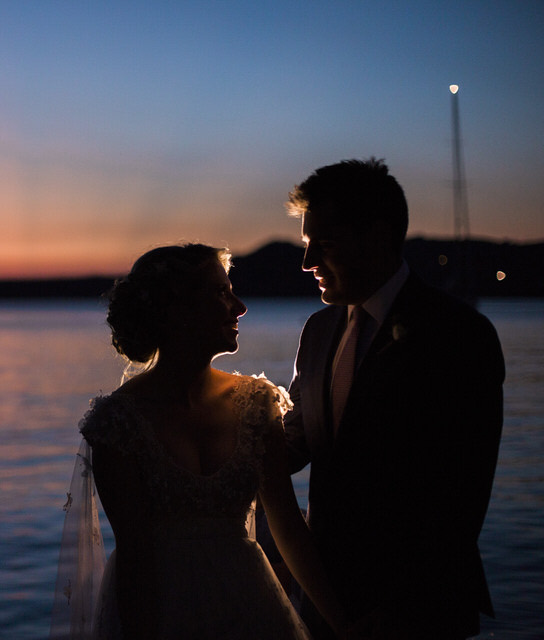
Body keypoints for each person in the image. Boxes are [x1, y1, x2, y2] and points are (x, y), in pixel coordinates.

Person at [51, 244, 348, 639]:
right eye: (220, 293)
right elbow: (135, 559)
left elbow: (289, 530)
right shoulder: (119, 422)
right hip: (161, 616)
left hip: (252, 608)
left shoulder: (257, 405)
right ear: (177, 311)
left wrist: (347, 627)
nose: (239, 306)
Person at [282, 158, 504, 639]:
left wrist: (401, 608)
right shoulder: (319, 332)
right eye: (306, 245)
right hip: (324, 602)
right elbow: (297, 443)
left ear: (378, 235)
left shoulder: (459, 334)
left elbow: (463, 491)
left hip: (417, 612)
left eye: (325, 244)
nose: (308, 262)